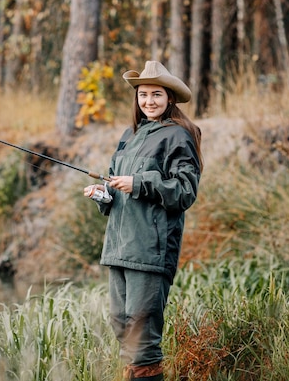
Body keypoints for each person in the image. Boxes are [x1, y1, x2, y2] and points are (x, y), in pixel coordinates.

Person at [84, 61, 203, 381]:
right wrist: (103, 194)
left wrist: (139, 183)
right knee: (121, 325)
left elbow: (185, 192)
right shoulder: (129, 136)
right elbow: (117, 193)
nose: (149, 101)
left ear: (170, 98)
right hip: (119, 246)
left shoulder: (178, 136)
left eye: (156, 94)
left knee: (143, 335)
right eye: (143, 95)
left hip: (150, 250)